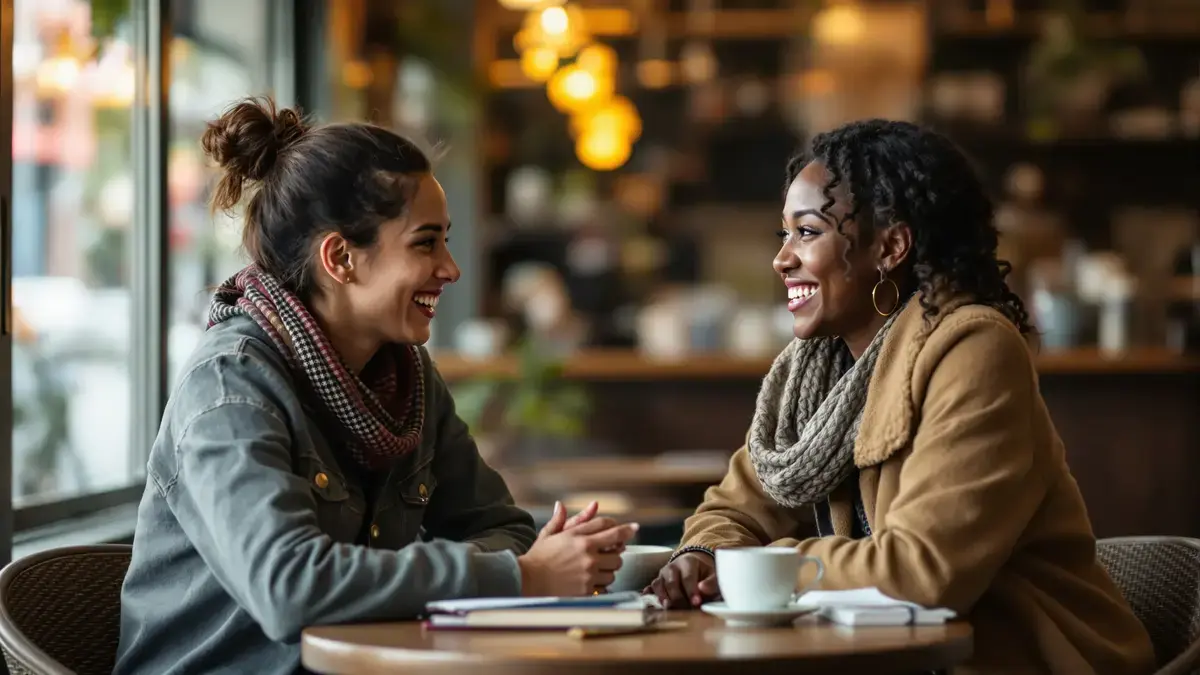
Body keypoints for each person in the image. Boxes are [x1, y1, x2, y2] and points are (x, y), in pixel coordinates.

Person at [116, 97, 638, 675]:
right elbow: (291, 586)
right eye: (425, 243)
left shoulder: (407, 379)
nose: (451, 268)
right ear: (341, 258)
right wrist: (522, 576)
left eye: (445, 241)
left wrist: (516, 566)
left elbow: (502, 527)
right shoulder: (229, 386)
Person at [646, 120, 1155, 674]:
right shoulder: (819, 369)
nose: (782, 259)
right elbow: (734, 509)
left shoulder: (973, 348)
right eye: (783, 235)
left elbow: (923, 573)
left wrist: (761, 569)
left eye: (807, 233)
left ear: (890, 247)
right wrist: (701, 556)